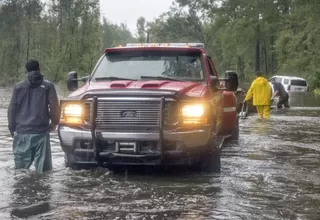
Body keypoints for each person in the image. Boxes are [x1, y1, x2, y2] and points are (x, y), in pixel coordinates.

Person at [7, 59, 60, 173]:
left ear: (26, 71)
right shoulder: (48, 86)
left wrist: (12, 128)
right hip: (41, 133)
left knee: (20, 171)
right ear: (39, 69)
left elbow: (12, 109)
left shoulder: (18, 87)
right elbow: (54, 106)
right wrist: (54, 123)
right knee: (44, 172)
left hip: (21, 132)